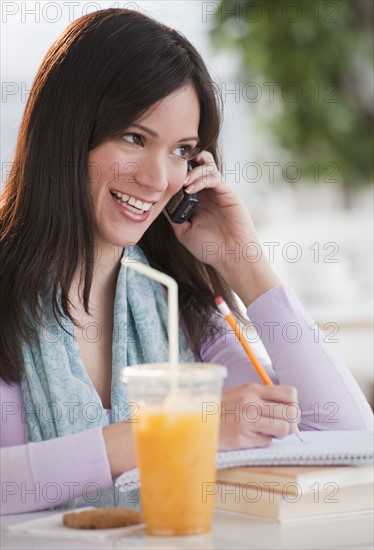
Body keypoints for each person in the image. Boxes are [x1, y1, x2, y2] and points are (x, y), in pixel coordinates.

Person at [0, 8, 372, 516]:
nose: (157, 180)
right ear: (69, 132)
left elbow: (348, 435)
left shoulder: (184, 314)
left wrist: (244, 264)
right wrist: (175, 431)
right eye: (135, 138)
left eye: (181, 151)